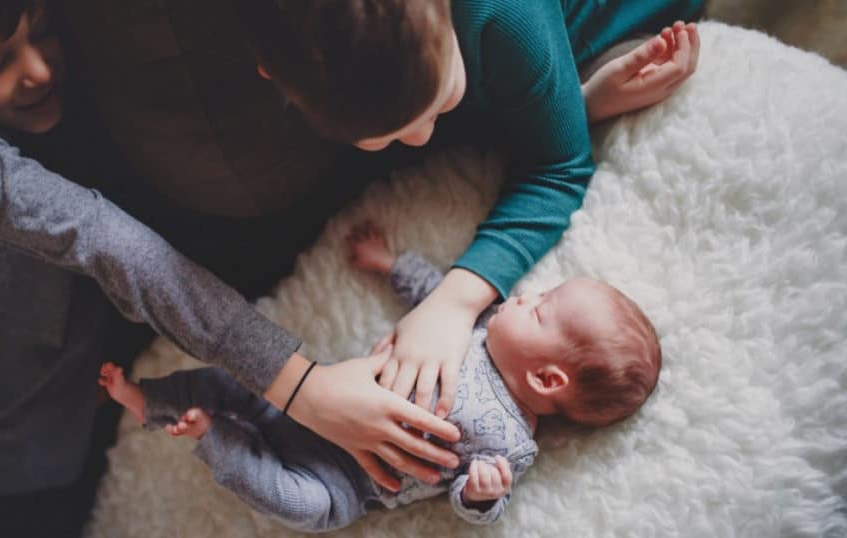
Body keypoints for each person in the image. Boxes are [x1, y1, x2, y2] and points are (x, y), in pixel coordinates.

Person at [0, 1, 460, 535]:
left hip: (65, 457)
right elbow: (111, 245)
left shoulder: (70, 100)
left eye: (41, 30)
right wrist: (303, 385)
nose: (38, 69)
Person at [231, 0, 701, 445]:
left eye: (437, 106)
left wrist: (452, 304)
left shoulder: (504, 15)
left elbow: (557, 172)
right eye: (381, 138)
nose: (419, 140)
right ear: (270, 75)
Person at [97, 221, 662, 532]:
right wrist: (392, 264)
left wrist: (484, 493)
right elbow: (434, 297)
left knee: (299, 508)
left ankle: (215, 440)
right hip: (315, 404)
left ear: (545, 380)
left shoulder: (512, 445)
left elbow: (469, 504)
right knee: (236, 381)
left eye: (541, 310)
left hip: (346, 481)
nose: (526, 295)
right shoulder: (480, 328)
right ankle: (152, 400)